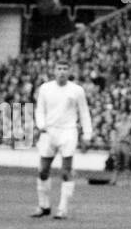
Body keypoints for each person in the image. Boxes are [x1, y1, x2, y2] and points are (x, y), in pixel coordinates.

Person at [32, 61, 93, 219]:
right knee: (43, 170)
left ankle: (62, 209)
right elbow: (39, 110)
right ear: (54, 70)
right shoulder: (45, 88)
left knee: (66, 171)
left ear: (69, 71)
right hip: (49, 131)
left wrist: (87, 135)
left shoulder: (76, 90)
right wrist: (41, 125)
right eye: (59, 68)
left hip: (68, 132)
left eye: (65, 69)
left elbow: (84, 113)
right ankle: (44, 205)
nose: (62, 72)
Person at [109, 115, 131, 186]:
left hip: (126, 144)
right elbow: (113, 134)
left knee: (126, 164)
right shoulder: (117, 125)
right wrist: (113, 144)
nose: (124, 116)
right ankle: (114, 180)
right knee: (117, 163)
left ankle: (126, 182)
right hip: (118, 144)